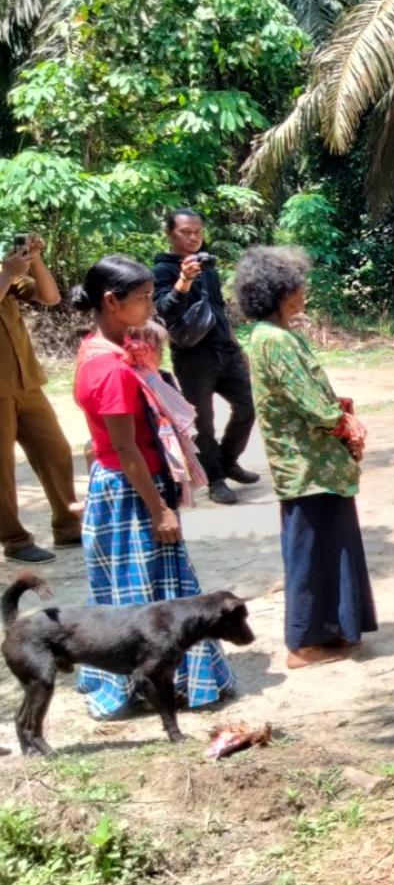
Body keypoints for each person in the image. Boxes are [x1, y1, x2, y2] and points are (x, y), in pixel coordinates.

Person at [70, 256, 234, 718]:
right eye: (142, 299)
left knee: (125, 591)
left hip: (123, 485)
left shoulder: (102, 350)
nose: (149, 306)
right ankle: (157, 684)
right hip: (131, 490)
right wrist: (160, 509)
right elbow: (126, 450)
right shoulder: (113, 370)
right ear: (111, 301)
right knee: (150, 596)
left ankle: (135, 680)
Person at [236, 248, 378, 670]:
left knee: (330, 542)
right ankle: (302, 642)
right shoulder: (275, 340)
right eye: (298, 283)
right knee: (310, 548)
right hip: (305, 464)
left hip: (315, 463)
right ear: (279, 292)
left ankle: (333, 629)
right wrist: (346, 423)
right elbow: (310, 404)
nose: (304, 289)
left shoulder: (275, 334)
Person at [152, 209, 260, 505]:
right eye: (185, 232)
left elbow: (218, 308)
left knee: (248, 406)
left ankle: (228, 461)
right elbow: (165, 310)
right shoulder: (162, 270)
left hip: (224, 349)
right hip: (192, 356)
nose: (193, 237)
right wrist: (183, 280)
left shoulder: (207, 263)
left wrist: (238, 347)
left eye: (197, 231)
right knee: (203, 422)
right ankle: (215, 479)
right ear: (170, 234)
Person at [0, 232, 79, 563]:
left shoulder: (6, 273)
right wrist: (7, 274)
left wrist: (34, 260)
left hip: (26, 383)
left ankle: (69, 527)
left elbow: (49, 297)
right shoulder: (4, 274)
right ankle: (15, 540)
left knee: (56, 451)